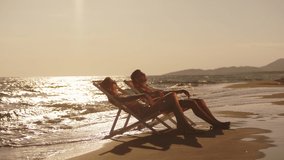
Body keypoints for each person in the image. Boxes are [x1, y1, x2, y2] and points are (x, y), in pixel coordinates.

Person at [130, 69, 230, 129]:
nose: (144, 79)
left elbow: (163, 92)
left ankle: (216, 122)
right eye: (142, 77)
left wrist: (179, 91)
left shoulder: (146, 87)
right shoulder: (139, 89)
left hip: (168, 102)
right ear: (137, 79)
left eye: (144, 77)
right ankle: (214, 124)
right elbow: (150, 101)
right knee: (192, 103)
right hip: (164, 106)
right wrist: (155, 94)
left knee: (199, 101)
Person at [99, 77, 197, 134]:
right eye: (113, 84)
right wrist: (141, 95)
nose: (115, 85)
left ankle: (183, 124)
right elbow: (125, 99)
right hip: (145, 113)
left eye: (115, 83)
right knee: (171, 96)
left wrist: (147, 98)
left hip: (148, 108)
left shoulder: (119, 95)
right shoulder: (114, 98)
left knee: (172, 99)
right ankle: (183, 125)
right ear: (109, 87)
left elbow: (130, 99)